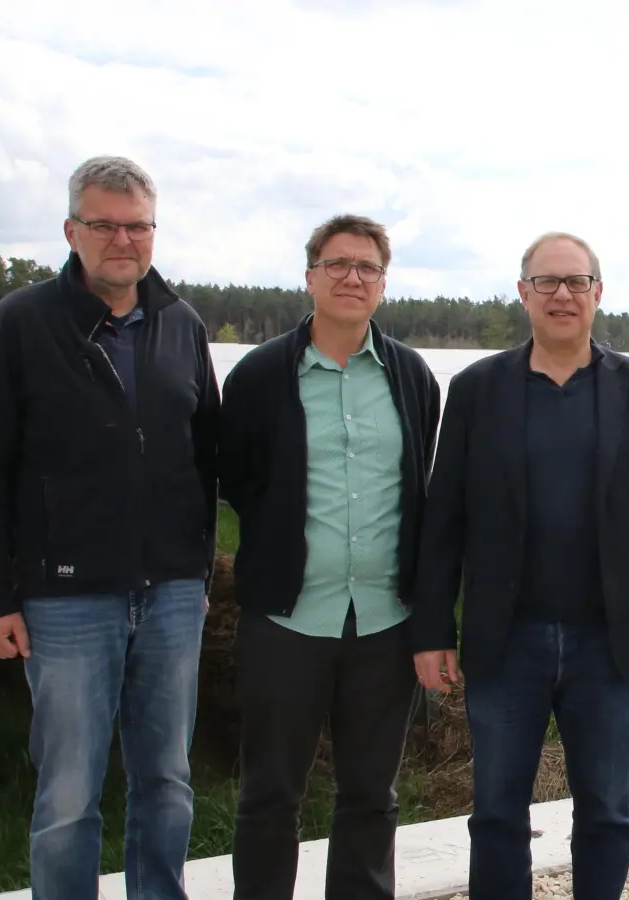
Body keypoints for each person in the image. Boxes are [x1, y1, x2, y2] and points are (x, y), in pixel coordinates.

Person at [0, 155, 221, 900]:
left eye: (137, 226)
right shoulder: (22, 324)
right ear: (71, 230)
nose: (122, 240)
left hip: (170, 595)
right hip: (66, 599)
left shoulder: (181, 323)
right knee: (70, 793)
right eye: (104, 224)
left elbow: (204, 460)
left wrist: (196, 573)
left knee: (167, 780)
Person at [410, 231, 629, 900]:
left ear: (599, 293)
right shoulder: (478, 389)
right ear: (523, 294)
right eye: (547, 282)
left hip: (608, 641)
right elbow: (444, 519)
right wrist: (431, 631)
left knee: (604, 810)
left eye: (576, 282)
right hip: (506, 640)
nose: (562, 294)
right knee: (497, 813)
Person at [217, 214, 441, 900]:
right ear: (310, 276)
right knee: (269, 796)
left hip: (383, 622)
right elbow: (237, 482)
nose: (352, 278)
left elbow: (421, 486)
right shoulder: (260, 376)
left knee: (371, 796)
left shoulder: (411, 378)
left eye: (367, 268)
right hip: (287, 621)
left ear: (383, 284)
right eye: (338, 265)